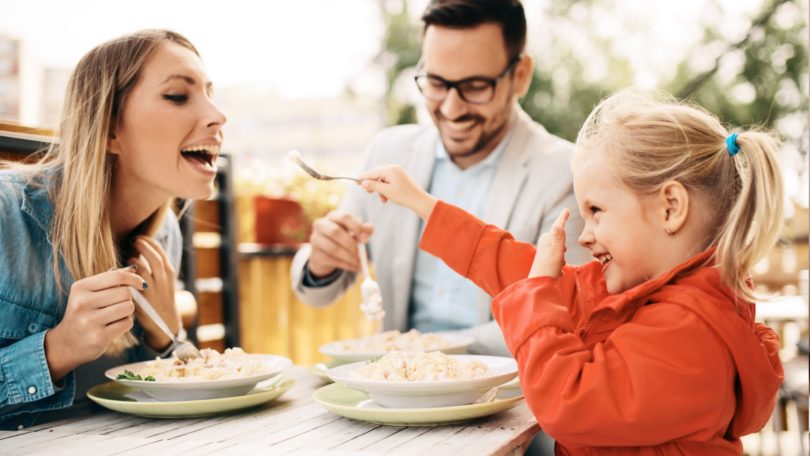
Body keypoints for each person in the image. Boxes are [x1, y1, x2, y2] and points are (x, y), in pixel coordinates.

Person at [358, 90, 784, 454]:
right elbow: (515, 267)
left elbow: (568, 402)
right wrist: (424, 205)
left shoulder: (690, 334)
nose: (585, 235)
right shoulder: (644, 297)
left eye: (596, 211)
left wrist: (539, 292)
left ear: (669, 208)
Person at [291, 0, 590, 356]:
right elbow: (317, 291)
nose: (451, 108)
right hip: (401, 388)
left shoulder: (566, 172)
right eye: (435, 82)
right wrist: (322, 262)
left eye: (475, 87)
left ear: (521, 75)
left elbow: (566, 313)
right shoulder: (388, 151)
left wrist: (426, 348)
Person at [0, 29, 227, 429]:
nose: (218, 116)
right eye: (178, 96)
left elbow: (149, 401)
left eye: (210, 94)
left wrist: (167, 337)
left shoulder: (163, 233)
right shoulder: (6, 216)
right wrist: (58, 349)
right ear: (109, 128)